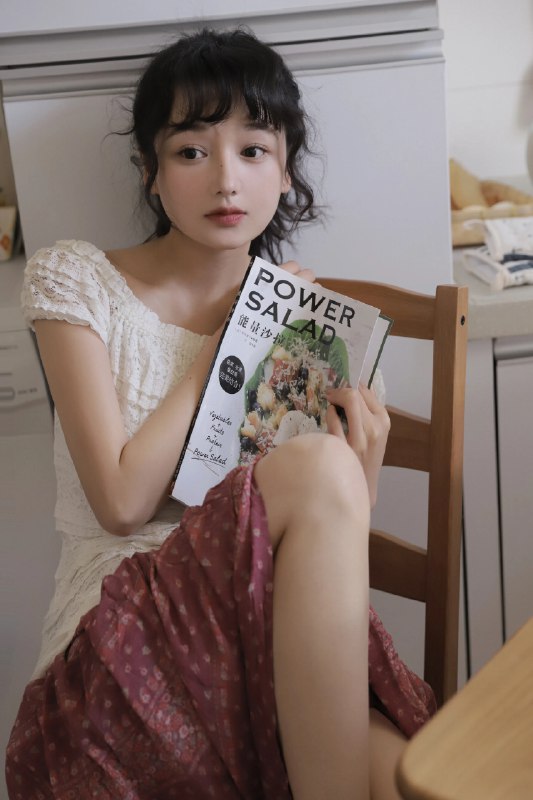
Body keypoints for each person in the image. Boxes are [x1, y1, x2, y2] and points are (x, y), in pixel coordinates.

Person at [5, 27, 435, 800]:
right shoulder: (77, 278)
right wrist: (225, 347)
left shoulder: (314, 326)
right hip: (121, 633)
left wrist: (360, 463)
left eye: (253, 150)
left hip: (268, 631)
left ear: (285, 170)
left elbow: (325, 549)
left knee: (412, 780)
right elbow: (121, 504)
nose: (226, 181)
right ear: (150, 172)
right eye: (191, 151)